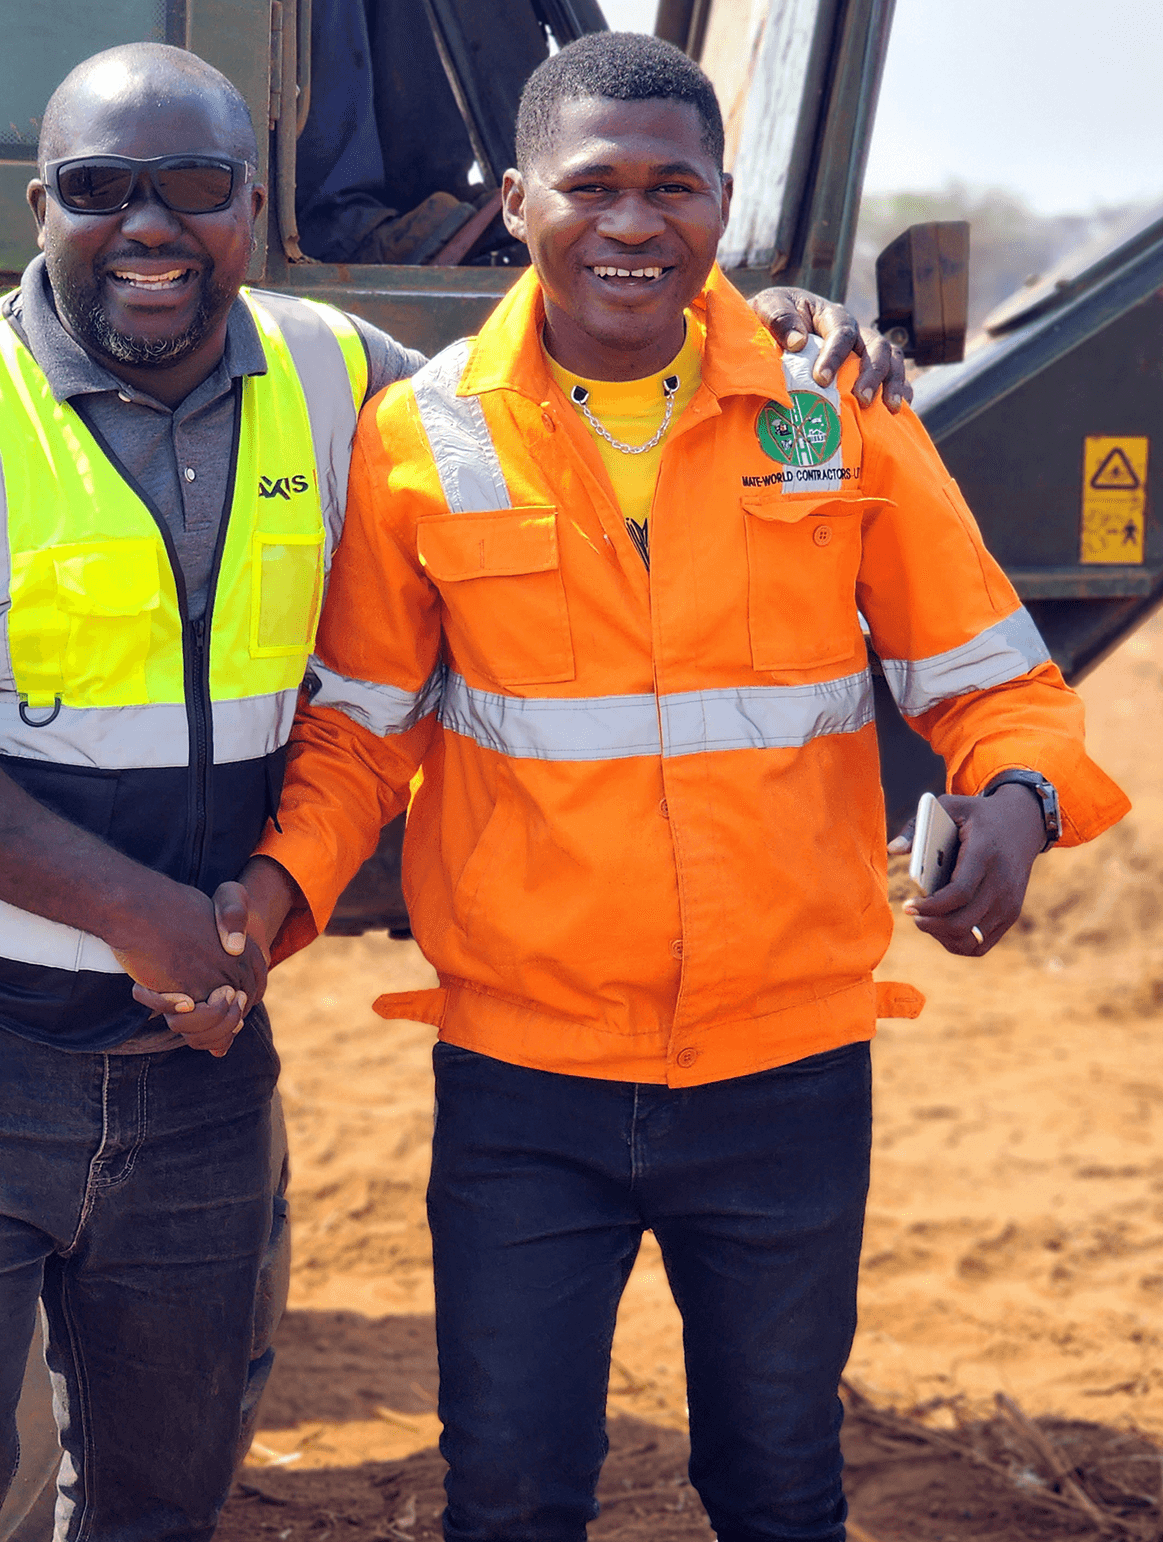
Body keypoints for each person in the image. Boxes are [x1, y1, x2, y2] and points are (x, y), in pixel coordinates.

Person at [0, 37, 904, 1542]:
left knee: (162, 1495)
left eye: (195, 186)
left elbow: (569, 348)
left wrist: (758, 324)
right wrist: (145, 917)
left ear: (255, 205)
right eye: (100, 189)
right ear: (37, 205)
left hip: (191, 1061)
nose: (149, 227)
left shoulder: (343, 379)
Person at [234, 31, 1130, 1542]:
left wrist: (1021, 802)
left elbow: (993, 684)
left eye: (674, 187)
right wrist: (271, 899)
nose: (633, 223)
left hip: (784, 1074)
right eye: (593, 186)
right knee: (510, 1494)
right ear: (517, 202)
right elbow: (358, 740)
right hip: (526, 1085)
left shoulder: (831, 408)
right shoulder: (423, 438)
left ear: (723, 203)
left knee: (778, 1487)